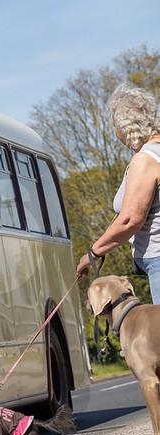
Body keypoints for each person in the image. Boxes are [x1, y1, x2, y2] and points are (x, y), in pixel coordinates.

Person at [77, 83, 160, 303]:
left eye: (115, 126)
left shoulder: (146, 159)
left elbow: (130, 219)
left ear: (126, 127)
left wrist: (93, 253)